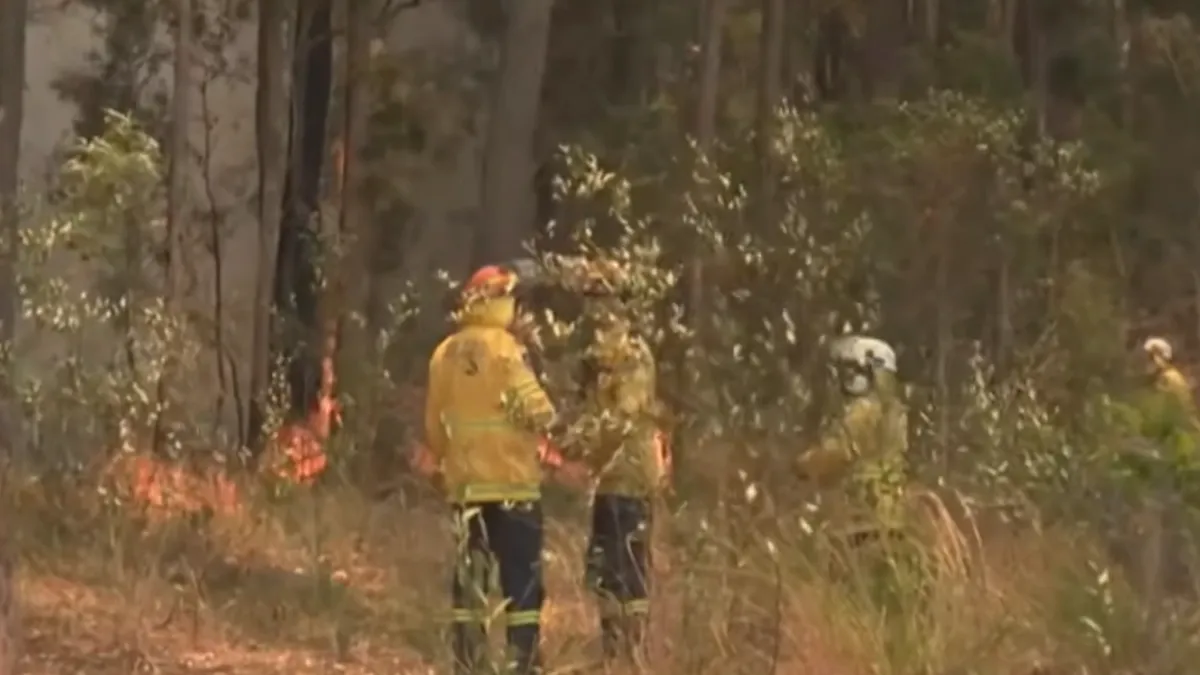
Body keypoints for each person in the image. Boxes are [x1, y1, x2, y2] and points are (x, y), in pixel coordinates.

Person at [422, 262, 575, 675]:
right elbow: (539, 410)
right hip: (513, 488)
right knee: (520, 585)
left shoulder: (444, 353)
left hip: (466, 491)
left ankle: (468, 663)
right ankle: (521, 664)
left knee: (471, 586)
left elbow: (434, 427)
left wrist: (450, 462)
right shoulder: (507, 350)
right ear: (502, 301)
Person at [574, 260, 670, 663]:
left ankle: (630, 654)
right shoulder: (597, 355)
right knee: (605, 568)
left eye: (603, 298)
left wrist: (589, 455)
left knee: (627, 569)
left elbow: (623, 417)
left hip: (630, 476)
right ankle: (612, 650)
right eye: (591, 298)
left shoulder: (631, 355)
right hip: (609, 479)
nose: (595, 308)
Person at [794, 335, 909, 547]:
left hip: (862, 518)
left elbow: (838, 453)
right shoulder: (895, 411)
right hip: (889, 516)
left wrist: (801, 464)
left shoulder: (864, 412)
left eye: (849, 371)